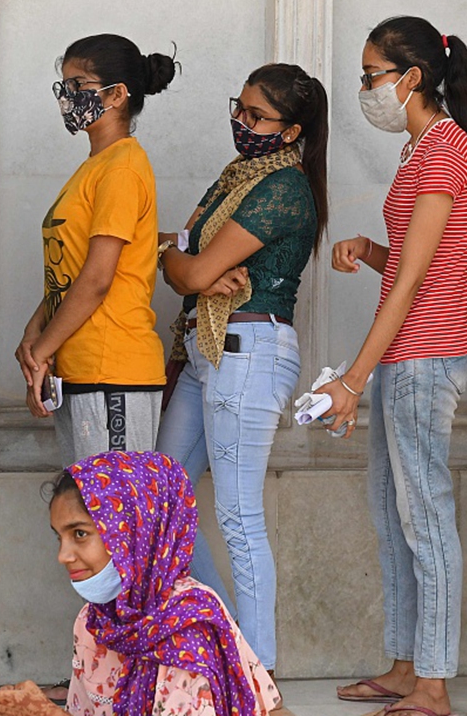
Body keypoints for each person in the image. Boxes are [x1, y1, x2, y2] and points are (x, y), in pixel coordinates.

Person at [325, 16, 467, 716]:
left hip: (425, 356)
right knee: (391, 511)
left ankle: (433, 683)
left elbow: (413, 284)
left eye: (372, 75)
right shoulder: (421, 147)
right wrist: (370, 248)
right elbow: (412, 263)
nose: (365, 87)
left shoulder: (445, 148)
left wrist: (351, 380)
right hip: (408, 353)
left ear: (412, 78)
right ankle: (406, 666)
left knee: (424, 518)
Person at [154, 61, 328, 677]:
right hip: (208, 349)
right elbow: (182, 257)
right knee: (164, 501)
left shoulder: (283, 188)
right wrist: (178, 257)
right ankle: (226, 638)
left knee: (237, 516)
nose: (242, 121)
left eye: (257, 116)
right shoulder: (236, 178)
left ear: (291, 130)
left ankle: (258, 672)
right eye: (240, 108)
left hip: (249, 352)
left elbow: (191, 269)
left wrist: (181, 261)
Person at [0, 450, 282, 716]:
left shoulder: (187, 627)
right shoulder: (94, 621)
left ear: (135, 532)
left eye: (79, 534)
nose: (63, 555)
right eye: (59, 537)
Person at [17, 35, 176, 464]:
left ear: (117, 95)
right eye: (64, 85)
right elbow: (71, 270)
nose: (67, 96)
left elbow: (98, 278)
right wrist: (35, 333)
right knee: (85, 503)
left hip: (113, 370)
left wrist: (42, 349)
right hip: (80, 372)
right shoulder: (95, 166)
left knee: (112, 505)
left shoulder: (123, 168)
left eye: (79, 85)